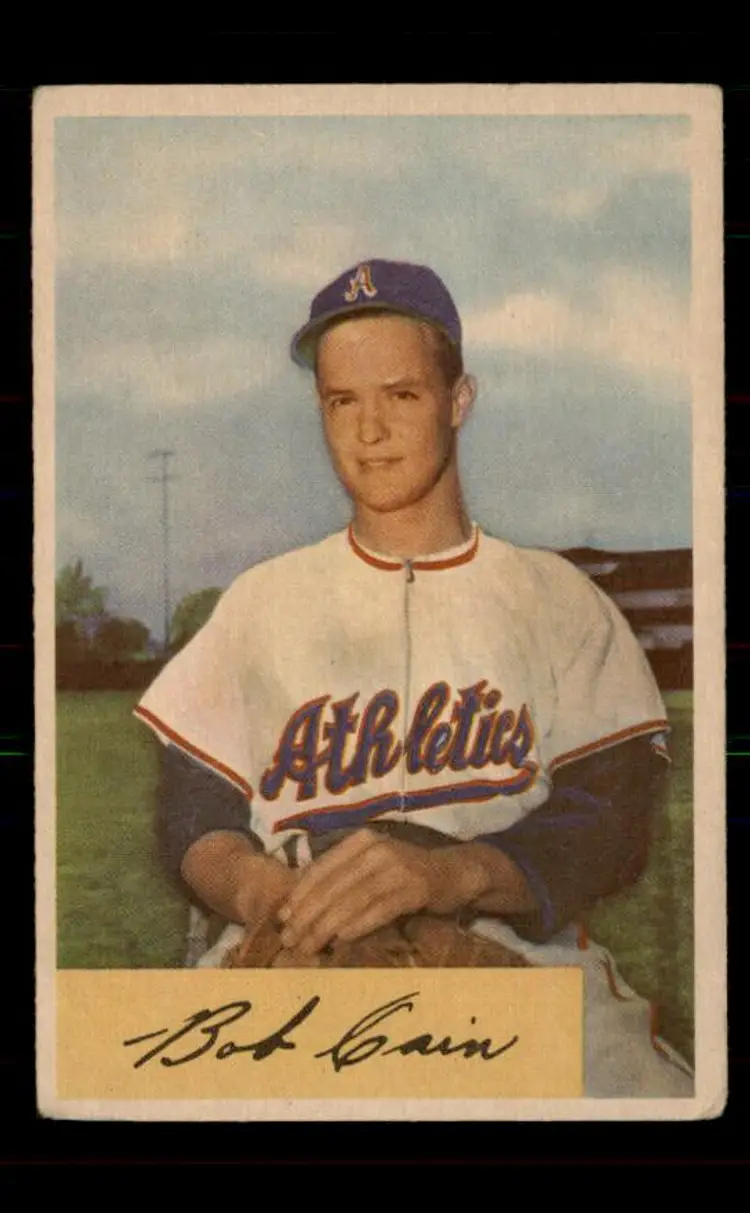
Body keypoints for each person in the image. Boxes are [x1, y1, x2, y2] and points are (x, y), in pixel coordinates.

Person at [135, 258, 694, 1097]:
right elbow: (193, 815)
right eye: (342, 402)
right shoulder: (260, 602)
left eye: (400, 394)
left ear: (458, 399)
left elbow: (611, 819)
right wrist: (263, 894)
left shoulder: (556, 598)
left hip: (509, 948)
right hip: (286, 949)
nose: (370, 431)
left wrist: (451, 874)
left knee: (650, 1104)